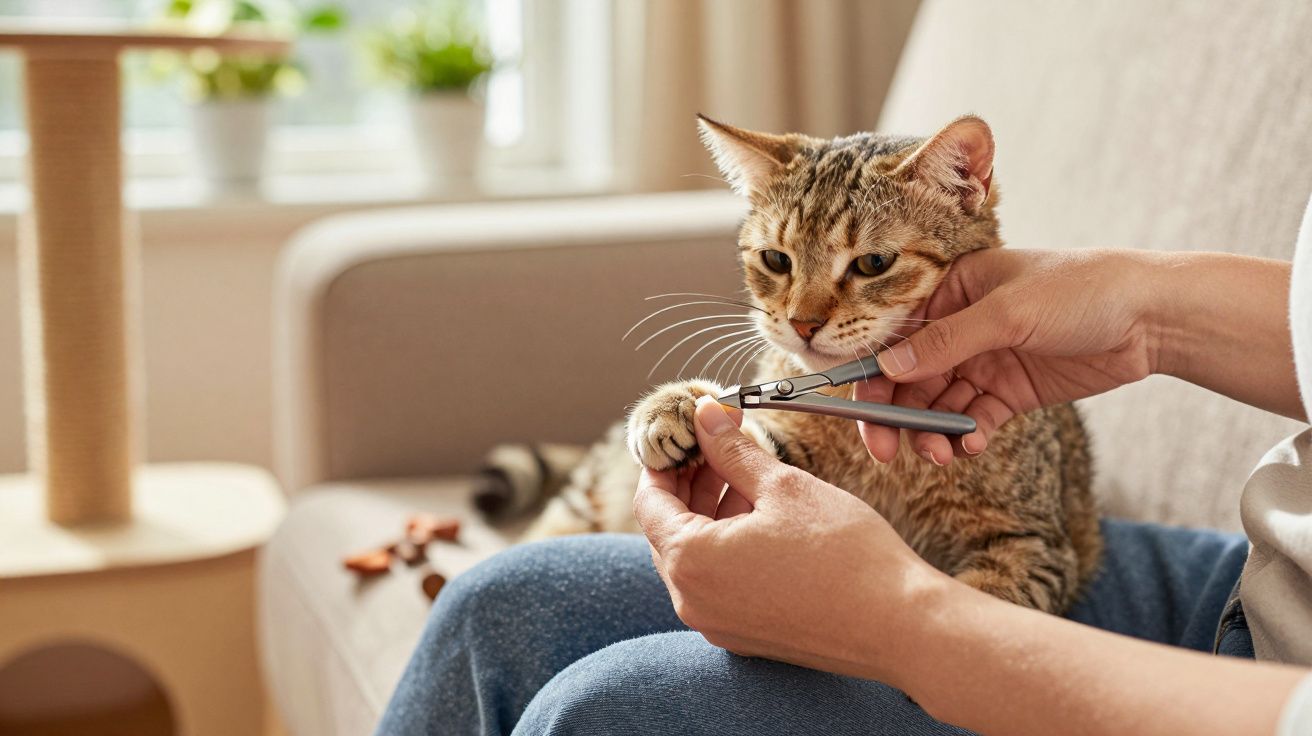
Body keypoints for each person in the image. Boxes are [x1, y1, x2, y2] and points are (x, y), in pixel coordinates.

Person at [377, 198, 1312, 736]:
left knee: (609, 715)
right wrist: (1153, 308)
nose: (812, 311)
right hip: (1241, 581)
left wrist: (903, 622)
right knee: (501, 604)